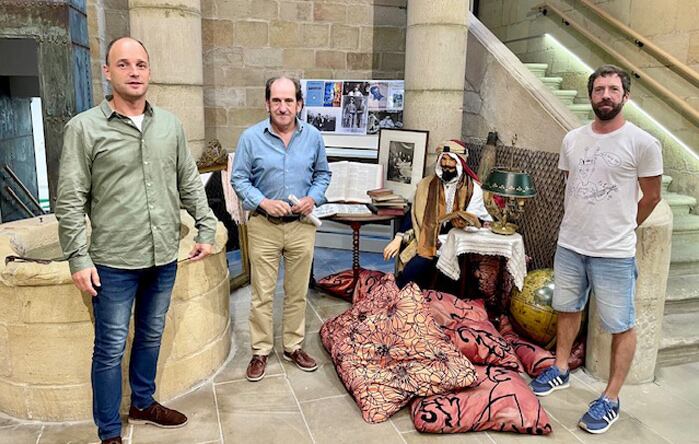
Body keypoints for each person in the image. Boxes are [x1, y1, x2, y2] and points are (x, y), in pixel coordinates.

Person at [55, 37, 217, 444]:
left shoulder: (170, 126)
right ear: (107, 73)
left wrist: (206, 227)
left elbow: (189, 183)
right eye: (123, 65)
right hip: (112, 261)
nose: (134, 72)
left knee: (150, 334)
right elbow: (71, 199)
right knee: (109, 348)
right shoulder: (85, 128)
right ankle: (109, 432)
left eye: (141, 64)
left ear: (149, 72)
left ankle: (143, 403)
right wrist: (78, 257)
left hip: (163, 255)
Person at [529, 65, 662, 434]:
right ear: (590, 95)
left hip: (615, 252)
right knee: (567, 308)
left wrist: (623, 227)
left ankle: (611, 398)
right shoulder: (573, 139)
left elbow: (651, 197)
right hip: (571, 244)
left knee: (621, 324)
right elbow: (574, 185)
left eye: (613, 89)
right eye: (599, 88)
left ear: (625, 96)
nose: (606, 94)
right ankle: (559, 370)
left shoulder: (643, 143)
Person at [231, 76, 331, 382]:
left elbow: (323, 174)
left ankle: (292, 346)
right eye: (277, 100)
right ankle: (260, 351)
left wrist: (312, 198)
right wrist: (262, 202)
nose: (283, 107)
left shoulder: (313, 137)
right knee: (262, 293)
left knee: (297, 292)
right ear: (267, 103)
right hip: (265, 226)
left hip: (301, 226)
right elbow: (239, 179)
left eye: (289, 101)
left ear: (299, 104)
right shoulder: (250, 138)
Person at [384, 140, 491, 289]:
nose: (447, 164)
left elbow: (476, 220)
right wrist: (398, 237)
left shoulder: (474, 189)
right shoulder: (426, 185)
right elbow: (414, 213)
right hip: (427, 238)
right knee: (412, 271)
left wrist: (461, 225)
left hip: (457, 240)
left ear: (460, 163)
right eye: (444, 159)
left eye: (451, 160)